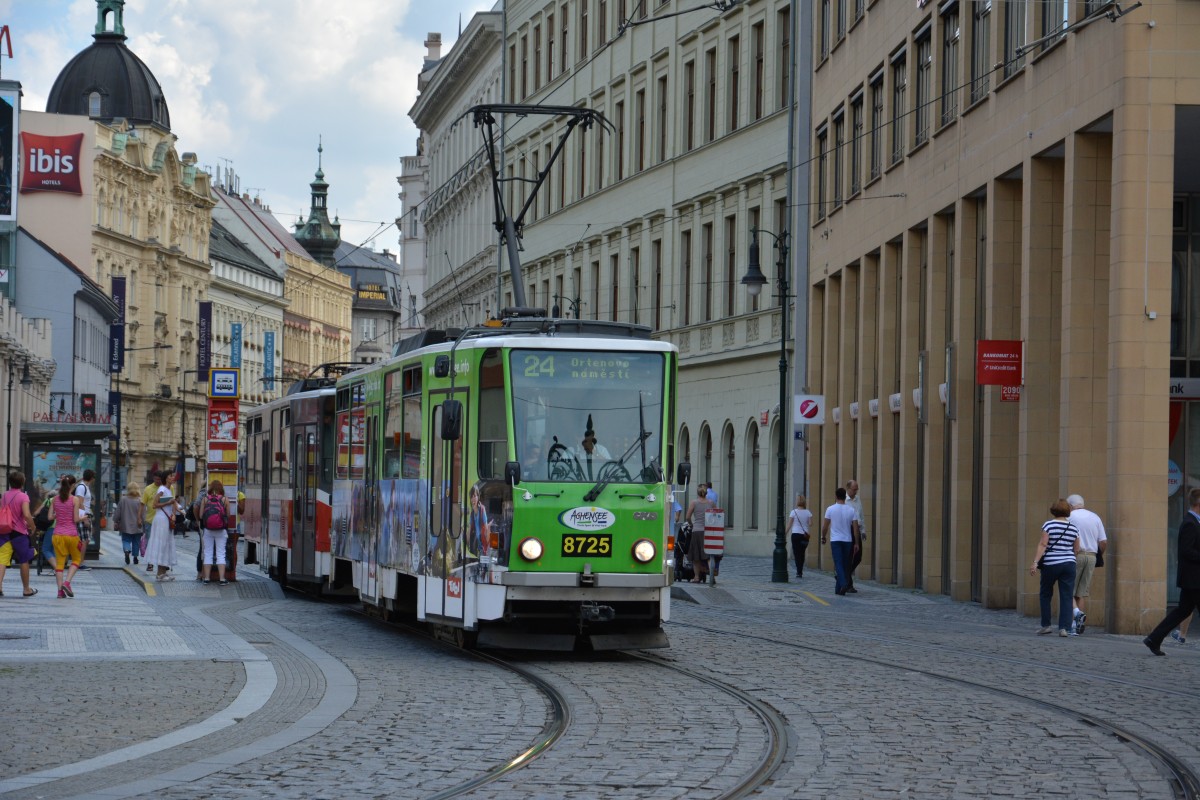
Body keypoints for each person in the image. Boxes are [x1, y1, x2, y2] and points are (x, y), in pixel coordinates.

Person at [1143, 487, 1200, 656]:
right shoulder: (1190, 523)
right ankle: (1153, 638)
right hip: (1193, 578)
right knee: (1182, 611)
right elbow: (1186, 550)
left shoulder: (1194, 521)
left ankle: (1154, 638)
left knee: (1182, 611)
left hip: (1193, 578)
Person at [1030, 498, 1082, 637]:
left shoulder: (1049, 525)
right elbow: (1077, 549)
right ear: (1068, 511)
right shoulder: (1073, 528)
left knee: (1045, 594)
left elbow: (1043, 544)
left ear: (1053, 510)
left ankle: (1046, 625)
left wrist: (1035, 562)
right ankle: (1064, 628)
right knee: (1066, 596)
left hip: (1051, 563)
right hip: (1069, 564)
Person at [1067, 494, 1107, 634]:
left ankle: (1075, 617)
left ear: (1071, 506)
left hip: (1075, 555)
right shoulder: (1095, 517)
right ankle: (1078, 624)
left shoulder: (1070, 517)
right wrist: (1097, 555)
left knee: (1068, 588)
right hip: (1091, 556)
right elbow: (1103, 542)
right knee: (1081, 592)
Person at [0, 471, 39, 597]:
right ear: (22, 482)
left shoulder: (5, 495)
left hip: (4, 531)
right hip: (19, 532)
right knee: (24, 560)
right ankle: (26, 589)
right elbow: (27, 515)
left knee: (2, 559)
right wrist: (33, 527)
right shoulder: (23, 497)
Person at [820, 487, 860, 596]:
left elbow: (825, 526)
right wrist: (856, 543)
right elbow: (856, 528)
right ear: (844, 496)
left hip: (836, 540)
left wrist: (823, 536)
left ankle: (843, 584)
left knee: (838, 563)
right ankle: (838, 590)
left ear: (836, 496)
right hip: (847, 540)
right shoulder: (851, 510)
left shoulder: (830, 509)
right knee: (845, 564)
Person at [51, 475, 84, 598]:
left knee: (59, 563)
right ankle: (67, 582)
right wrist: (83, 518)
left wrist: (58, 514)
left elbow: (50, 517)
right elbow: (75, 519)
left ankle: (60, 592)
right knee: (76, 559)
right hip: (71, 535)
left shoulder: (55, 499)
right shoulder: (75, 500)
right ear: (73, 486)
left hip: (57, 535)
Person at [143, 470, 178, 581]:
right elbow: (154, 504)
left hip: (166, 519)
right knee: (162, 544)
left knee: (165, 545)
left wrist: (174, 512)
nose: (172, 478)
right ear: (166, 478)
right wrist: (169, 503)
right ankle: (159, 573)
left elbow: (171, 504)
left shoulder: (169, 489)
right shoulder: (162, 489)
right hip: (161, 519)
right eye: (170, 476)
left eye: (172, 476)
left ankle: (163, 572)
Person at [198, 479, 231, 585]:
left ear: (211, 488)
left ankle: (207, 578)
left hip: (208, 530)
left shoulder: (205, 499)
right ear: (221, 488)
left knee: (208, 553)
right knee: (221, 554)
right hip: (221, 530)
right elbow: (228, 515)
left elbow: (201, 516)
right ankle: (222, 579)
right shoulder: (225, 499)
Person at [685, 484, 714, 584]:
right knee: (709, 556)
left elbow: (688, 516)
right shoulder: (711, 503)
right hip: (708, 531)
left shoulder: (694, 502)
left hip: (697, 531)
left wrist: (691, 524)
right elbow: (717, 514)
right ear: (706, 493)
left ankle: (696, 577)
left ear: (697, 492)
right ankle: (711, 577)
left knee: (696, 557)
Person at [114, 482, 144, 565]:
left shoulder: (123, 500)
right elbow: (144, 514)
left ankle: (127, 550)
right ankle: (135, 557)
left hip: (125, 525)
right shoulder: (140, 500)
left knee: (126, 540)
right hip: (138, 526)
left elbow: (118, 512)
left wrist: (116, 520)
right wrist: (144, 524)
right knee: (136, 542)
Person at [845, 480, 866, 593]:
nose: (856, 491)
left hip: (857, 530)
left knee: (858, 557)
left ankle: (843, 575)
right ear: (848, 488)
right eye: (854, 489)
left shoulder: (858, 500)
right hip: (848, 531)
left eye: (857, 489)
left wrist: (863, 531)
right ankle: (848, 584)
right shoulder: (844, 500)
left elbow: (861, 516)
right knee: (849, 557)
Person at [73, 468, 95, 570]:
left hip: (86, 514)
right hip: (83, 516)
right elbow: (79, 503)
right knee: (83, 540)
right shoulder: (82, 487)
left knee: (85, 540)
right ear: (91, 478)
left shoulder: (84, 487)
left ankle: (80, 561)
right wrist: (84, 518)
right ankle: (80, 563)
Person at [141, 472, 162, 571]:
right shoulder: (148, 489)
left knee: (161, 542)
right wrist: (139, 518)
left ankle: (161, 563)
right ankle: (150, 563)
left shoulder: (167, 488)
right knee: (149, 542)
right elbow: (142, 504)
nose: (158, 481)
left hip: (163, 520)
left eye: (159, 479)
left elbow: (173, 501)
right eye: (156, 479)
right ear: (153, 478)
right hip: (150, 520)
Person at [789, 495, 813, 578]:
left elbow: (790, 524)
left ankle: (798, 571)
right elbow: (810, 524)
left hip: (795, 534)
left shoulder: (793, 512)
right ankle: (800, 570)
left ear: (797, 502)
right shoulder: (808, 512)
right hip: (804, 535)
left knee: (796, 553)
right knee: (802, 553)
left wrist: (785, 533)